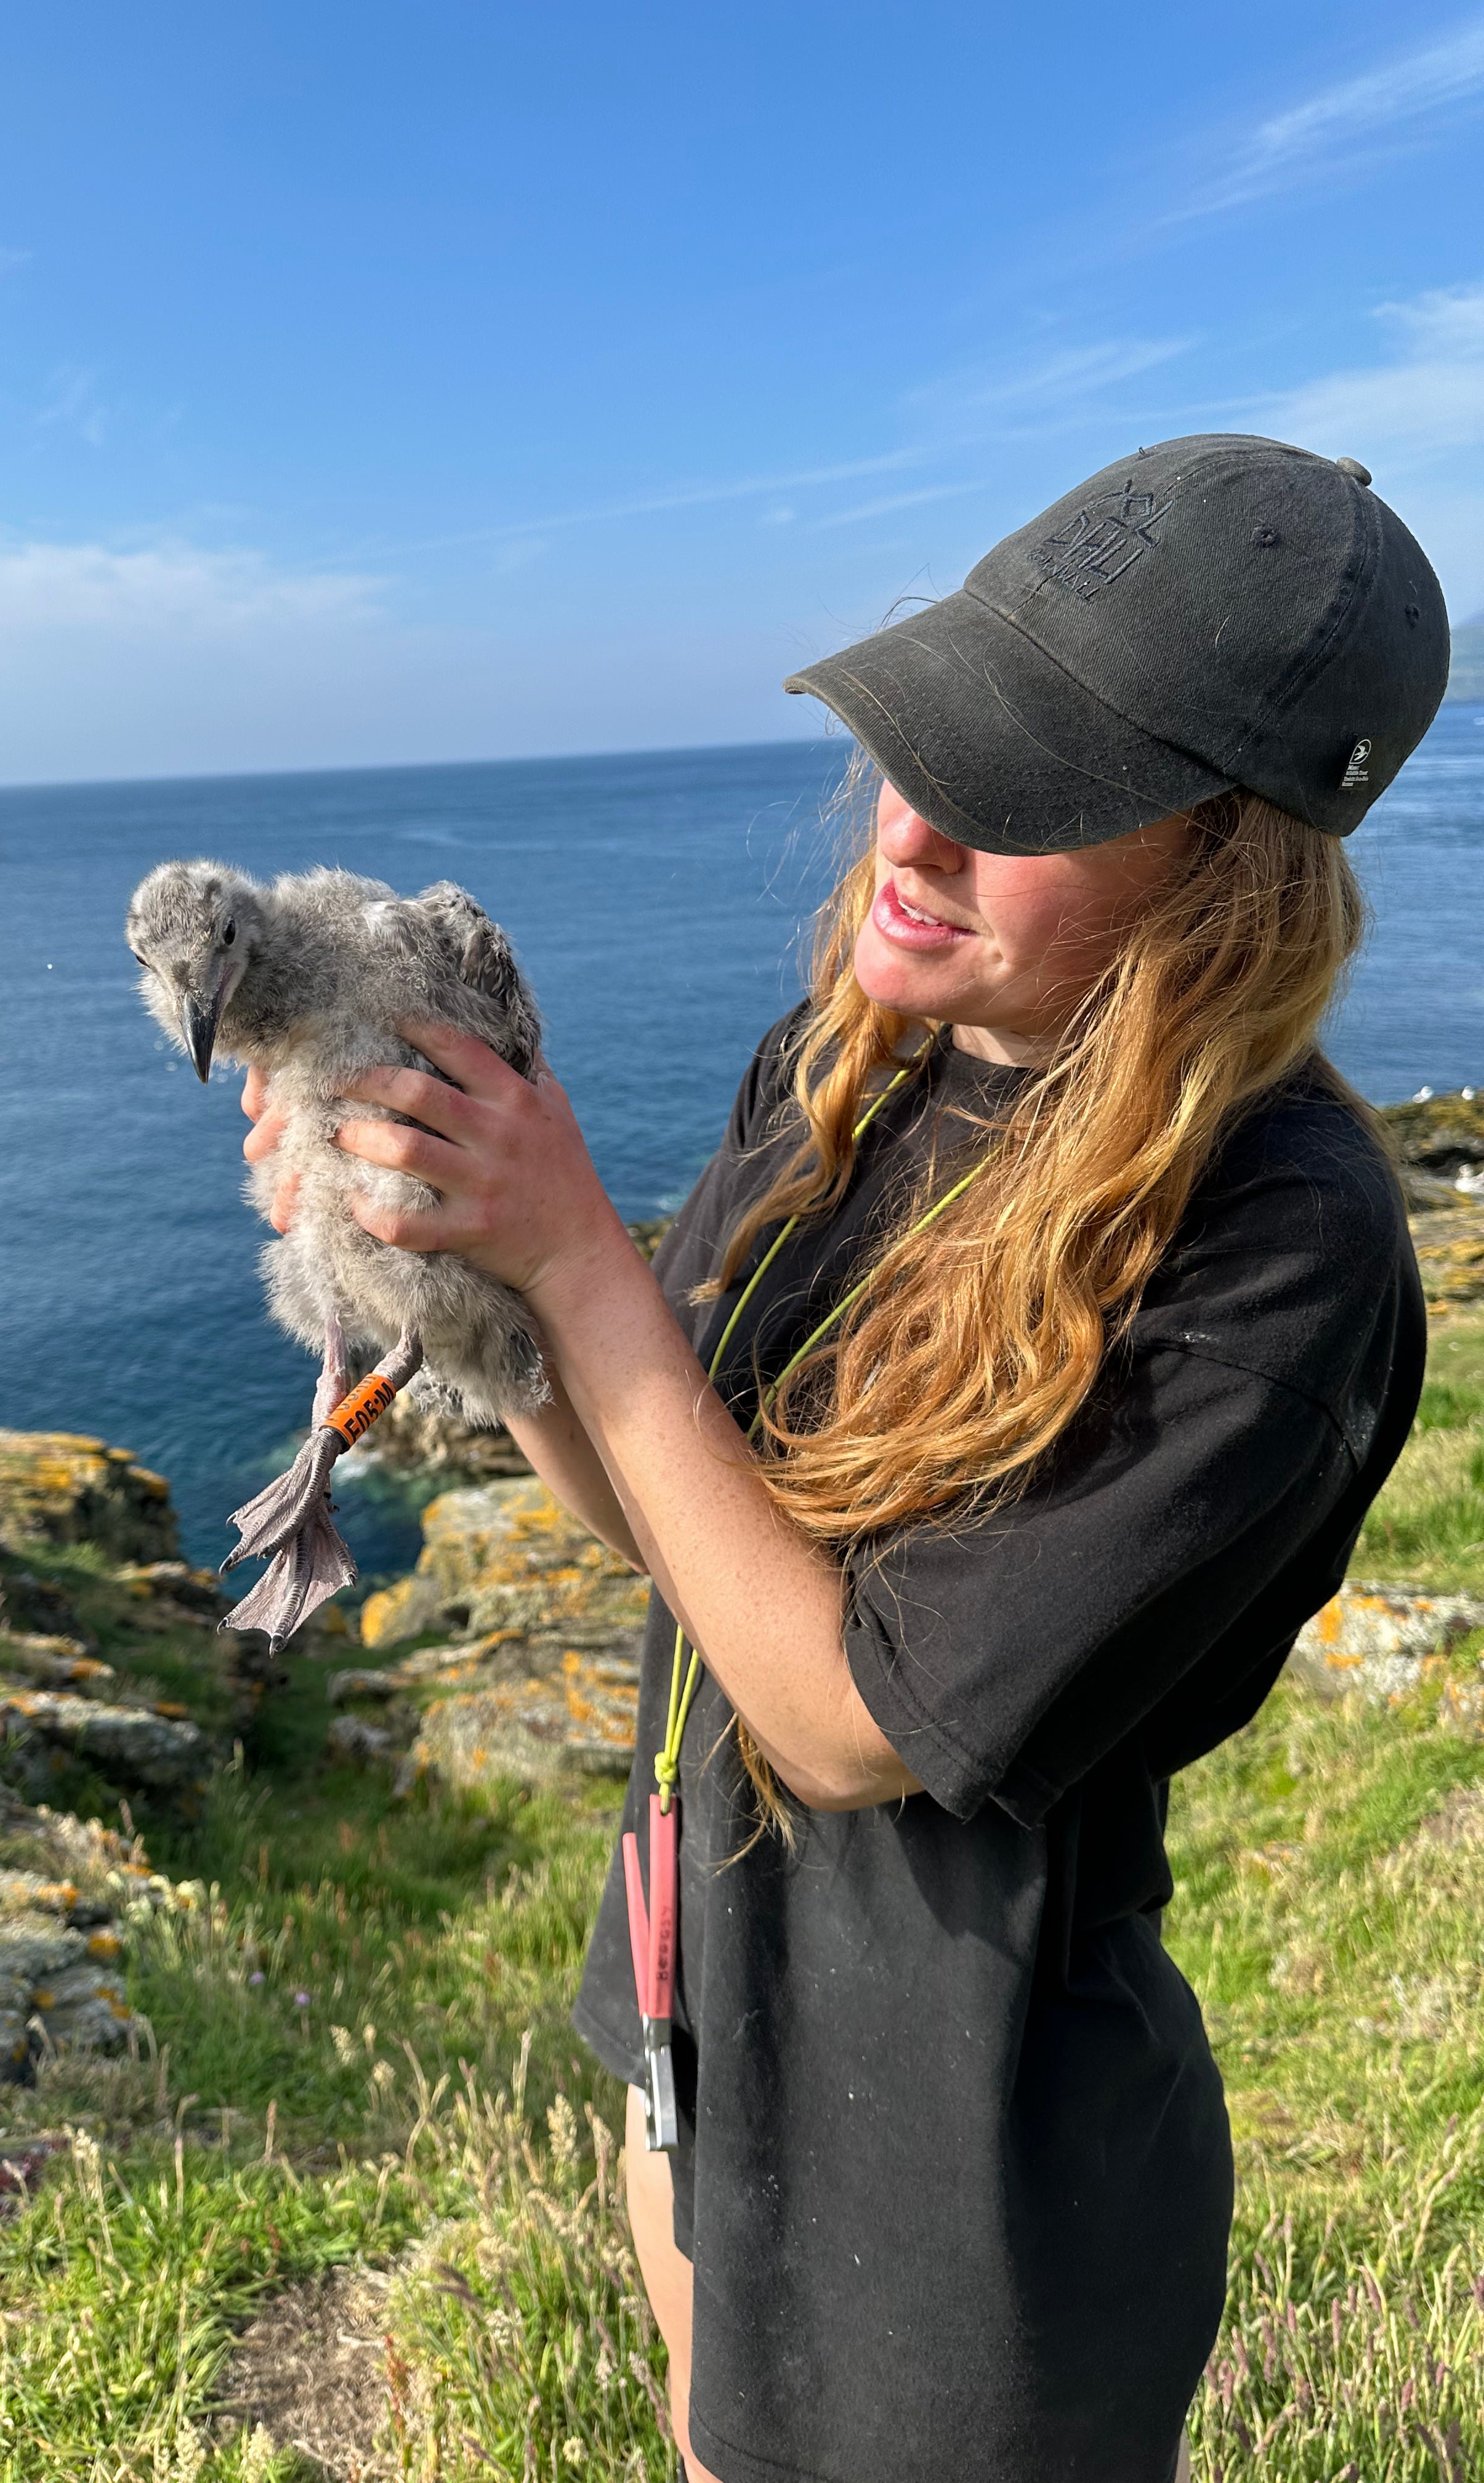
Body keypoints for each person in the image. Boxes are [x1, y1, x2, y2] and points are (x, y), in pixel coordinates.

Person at [243, 434, 1448, 2483]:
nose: (913, 830)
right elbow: (678, 1535)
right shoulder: (857, 1063)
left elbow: (846, 1724)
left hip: (971, 2159)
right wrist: (477, 1293)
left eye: (1027, 798)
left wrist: (578, 1264)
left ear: (1226, 864)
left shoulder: (1280, 1242)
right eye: (935, 740)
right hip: (709, 1998)